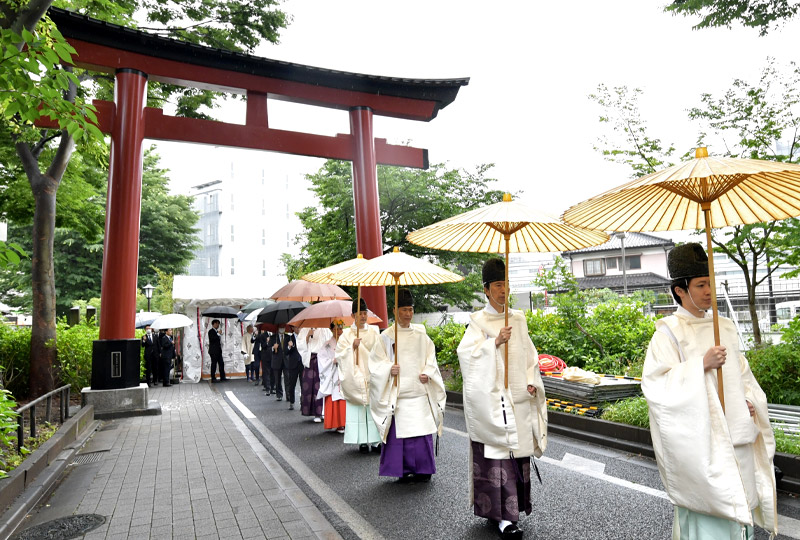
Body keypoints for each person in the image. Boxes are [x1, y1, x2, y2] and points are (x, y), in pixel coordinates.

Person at [642, 243, 778, 539]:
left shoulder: (725, 327)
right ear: (680, 290)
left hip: (737, 436)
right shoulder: (668, 333)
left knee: (740, 513)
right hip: (701, 446)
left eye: (711, 283)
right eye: (701, 284)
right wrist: (700, 365)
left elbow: (742, 378)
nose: (709, 291)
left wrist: (747, 402)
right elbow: (656, 387)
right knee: (710, 519)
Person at [456, 258, 547, 540]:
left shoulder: (517, 319)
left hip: (518, 399)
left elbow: (530, 357)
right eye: (497, 285)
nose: (503, 290)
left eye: (506, 284)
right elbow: (467, 357)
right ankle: (503, 519)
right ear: (486, 289)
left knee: (516, 455)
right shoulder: (478, 323)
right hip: (493, 403)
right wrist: (493, 343)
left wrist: (532, 382)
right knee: (497, 457)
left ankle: (514, 511)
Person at [370, 289, 446, 483]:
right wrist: (388, 369)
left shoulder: (421, 335)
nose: (408, 314)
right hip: (399, 394)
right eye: (404, 309)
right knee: (400, 435)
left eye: (410, 309)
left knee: (421, 433)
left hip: (419, 392)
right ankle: (402, 470)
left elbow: (431, 358)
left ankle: (423, 469)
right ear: (395, 310)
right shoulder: (386, 337)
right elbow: (376, 363)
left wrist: (428, 373)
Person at [337, 298, 385, 453]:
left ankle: (376, 441)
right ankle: (362, 441)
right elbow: (339, 355)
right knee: (358, 409)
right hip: (355, 374)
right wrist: (352, 347)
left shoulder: (374, 331)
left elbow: (381, 352)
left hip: (371, 373)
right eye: (360, 313)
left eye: (365, 313)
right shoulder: (346, 334)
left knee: (373, 408)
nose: (363, 316)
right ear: (353, 315)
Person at [298, 325, 331, 422]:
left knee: (322, 385)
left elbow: (330, 344)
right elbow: (300, 346)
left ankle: (323, 412)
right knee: (309, 386)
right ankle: (315, 413)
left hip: (323, 360)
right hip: (310, 359)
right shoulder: (305, 330)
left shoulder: (325, 330)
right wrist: (307, 336)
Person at [318, 321, 346, 433]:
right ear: (332, 330)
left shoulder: (345, 343)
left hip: (343, 372)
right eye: (337, 329)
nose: (340, 331)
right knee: (334, 396)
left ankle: (344, 423)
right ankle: (336, 423)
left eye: (341, 328)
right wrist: (332, 361)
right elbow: (322, 360)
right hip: (333, 373)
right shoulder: (327, 344)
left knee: (344, 396)